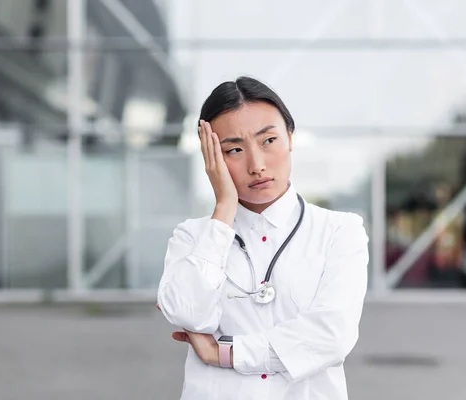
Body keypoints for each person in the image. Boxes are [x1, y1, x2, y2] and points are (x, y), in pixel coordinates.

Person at [156, 76, 369, 399]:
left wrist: (225, 353)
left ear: (290, 138)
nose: (257, 165)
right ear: (212, 157)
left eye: (268, 141)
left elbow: (332, 336)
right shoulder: (193, 237)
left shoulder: (339, 231)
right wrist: (224, 207)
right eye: (235, 150)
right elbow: (188, 312)